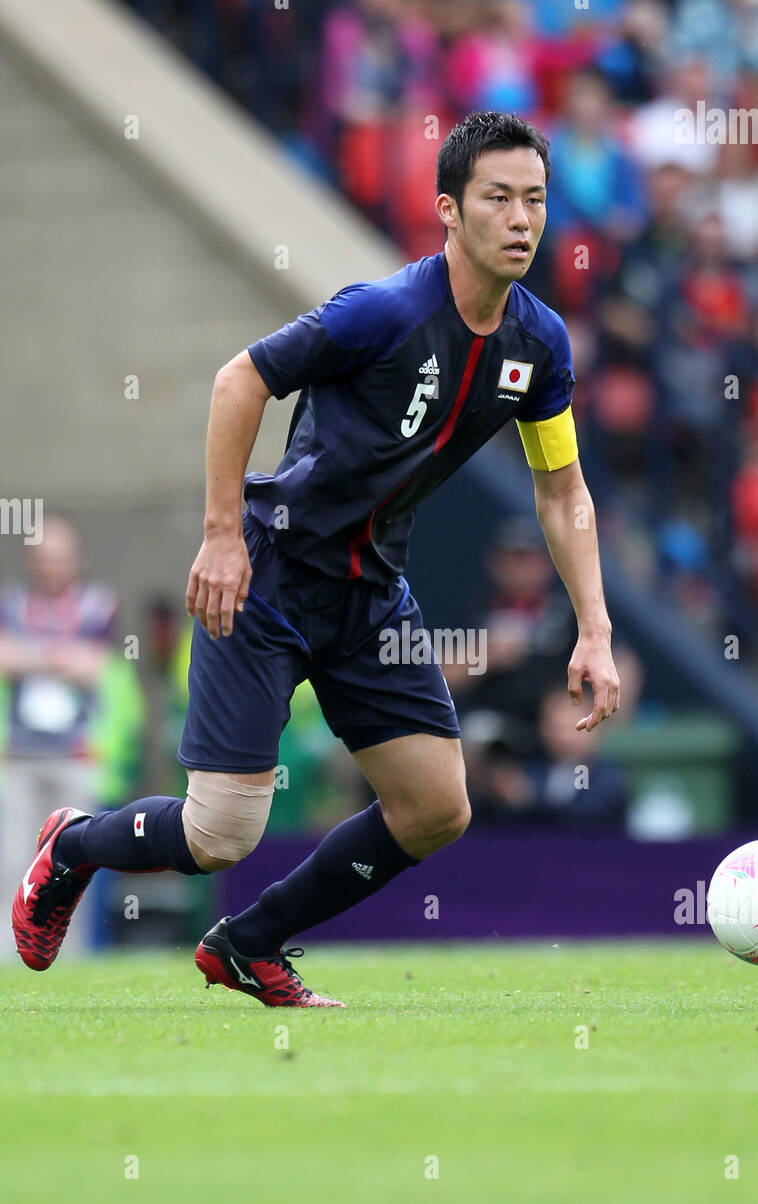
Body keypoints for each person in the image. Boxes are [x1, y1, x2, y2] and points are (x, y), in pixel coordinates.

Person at [11, 111, 620, 1007]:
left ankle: (250, 944)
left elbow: (562, 492)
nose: (522, 219)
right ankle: (71, 847)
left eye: (534, 199)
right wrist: (222, 535)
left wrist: (595, 630)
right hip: (269, 577)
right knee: (221, 834)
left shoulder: (540, 347)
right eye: (498, 199)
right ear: (450, 211)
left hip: (371, 597)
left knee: (437, 810)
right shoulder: (383, 313)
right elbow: (238, 381)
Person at [0, 516, 120, 955]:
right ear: (32, 561)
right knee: (14, 859)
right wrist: (58, 655)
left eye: (60, 558)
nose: (52, 567)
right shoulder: (11, 603)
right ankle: (9, 956)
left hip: (76, 754)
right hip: (20, 754)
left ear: (76, 559)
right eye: (45, 558)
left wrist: (32, 654)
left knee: (74, 865)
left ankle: (70, 956)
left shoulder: (97, 604)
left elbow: (93, 664)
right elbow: (5, 658)